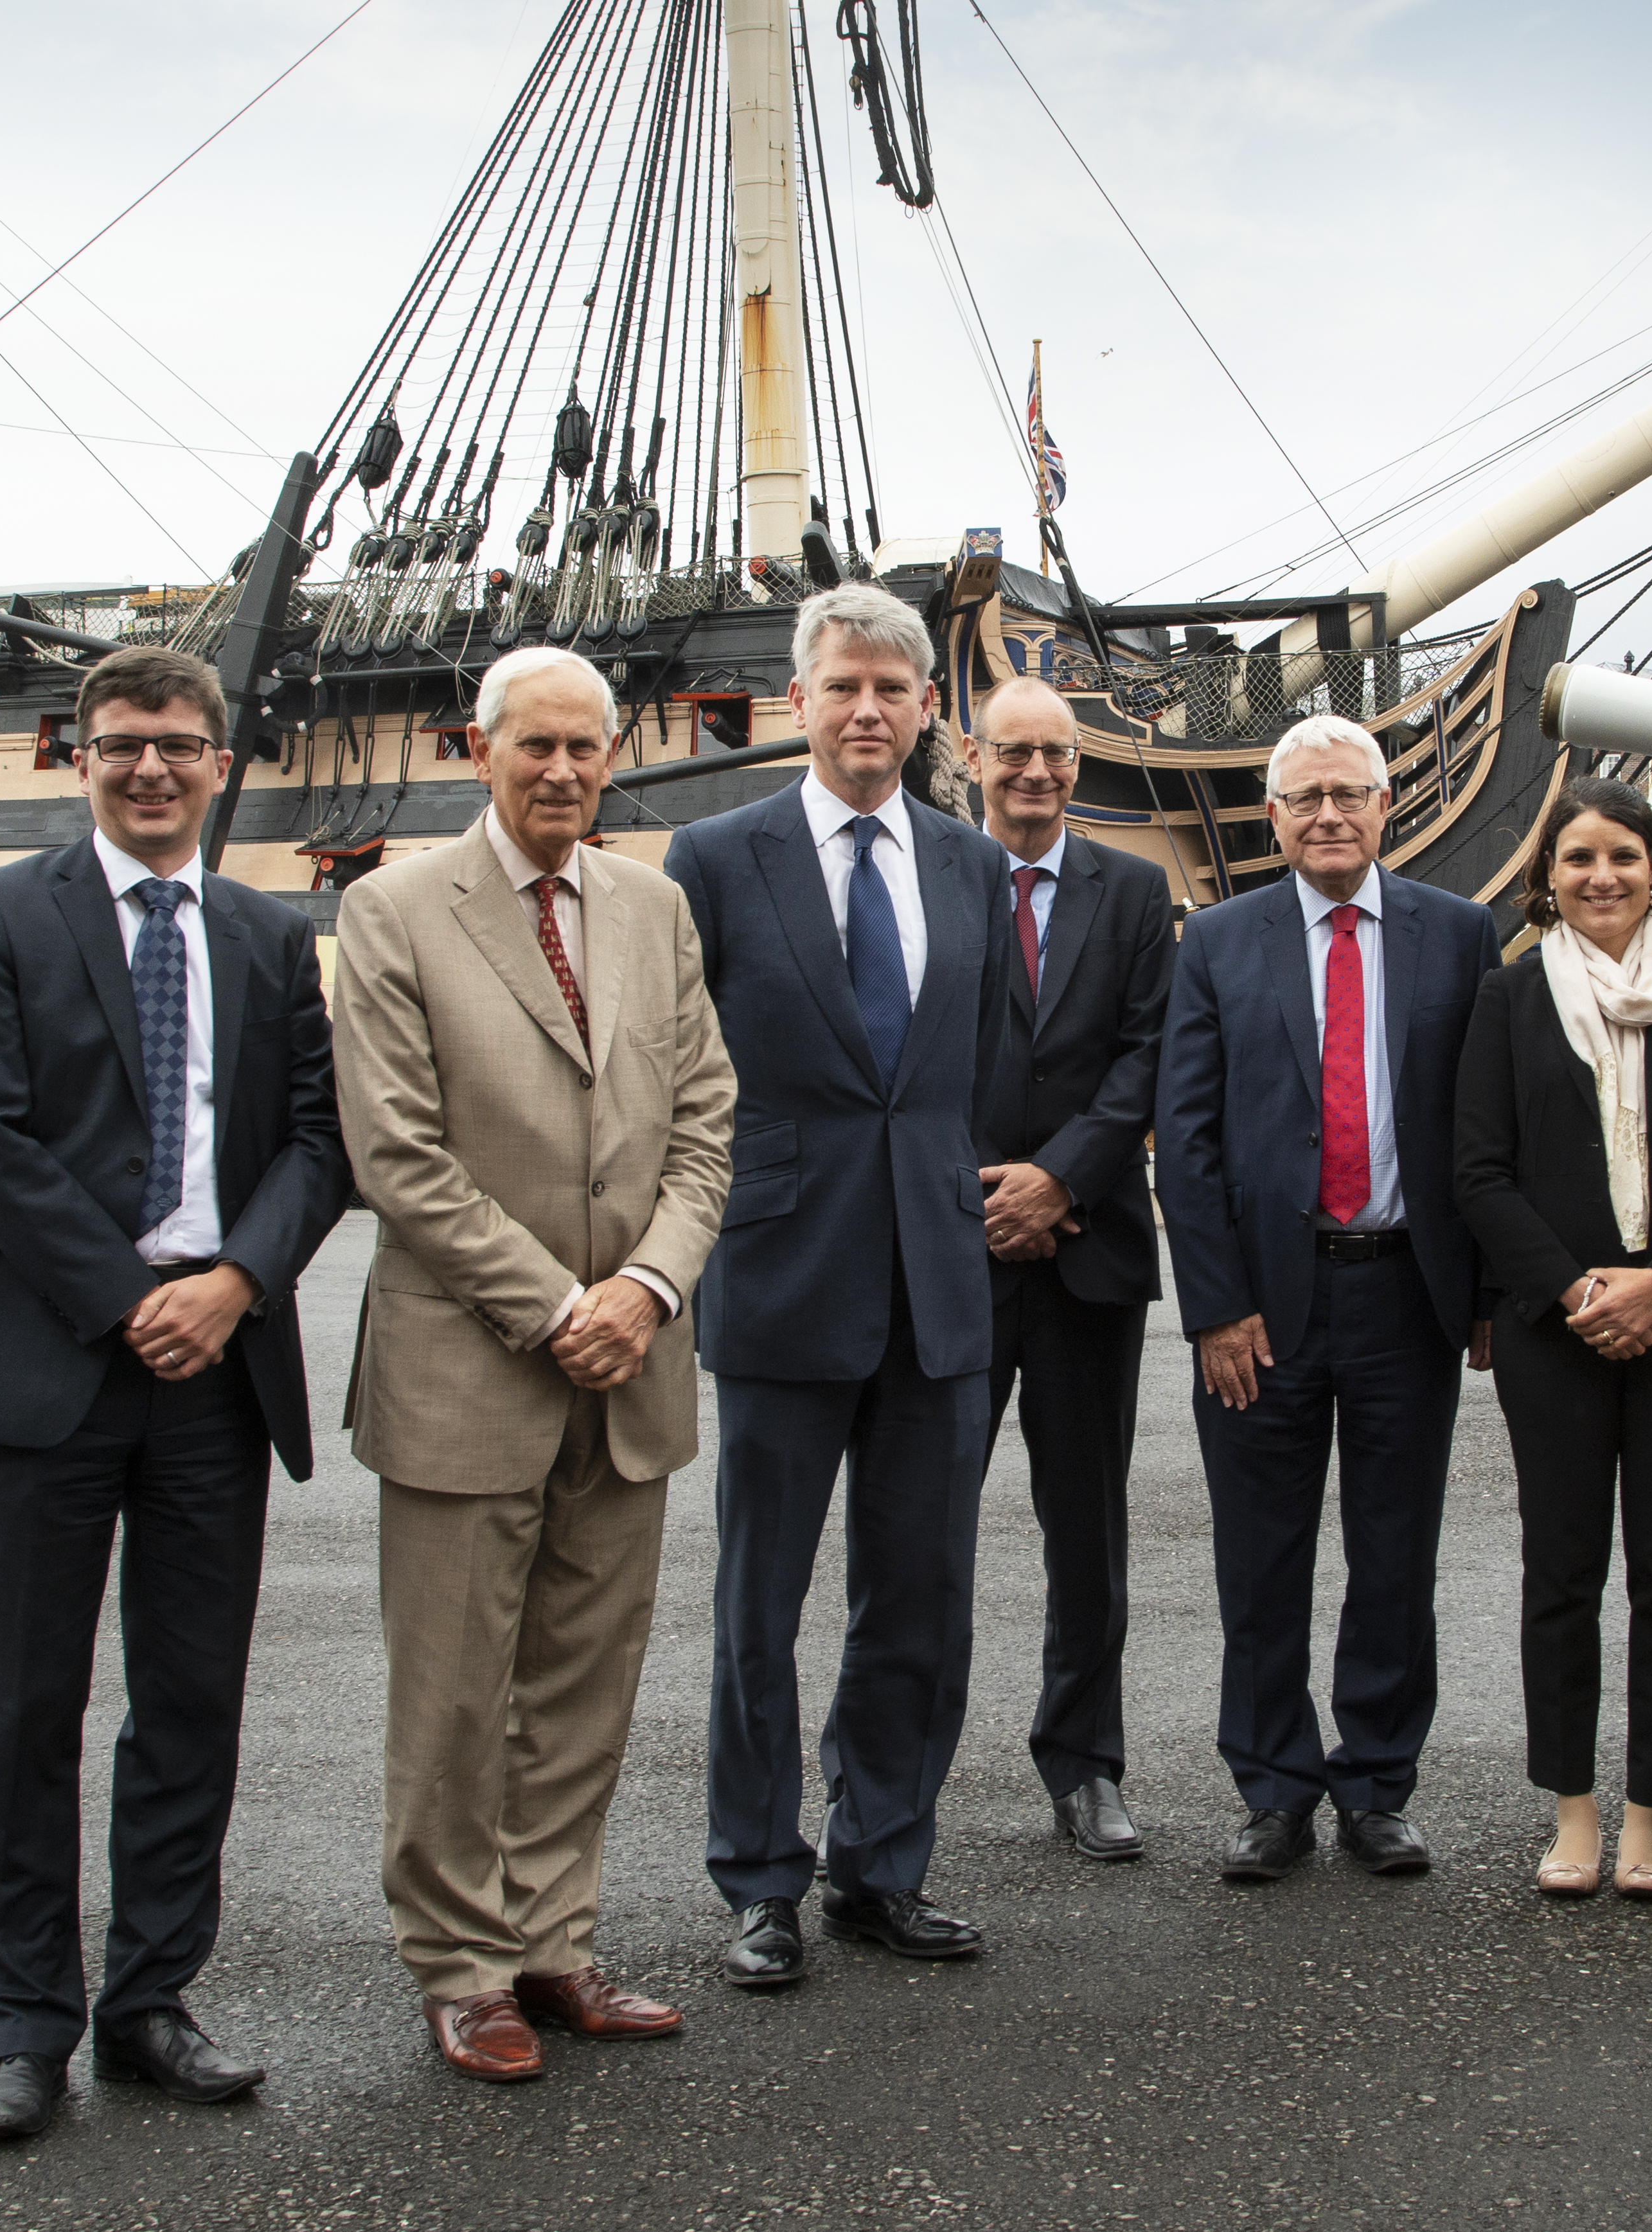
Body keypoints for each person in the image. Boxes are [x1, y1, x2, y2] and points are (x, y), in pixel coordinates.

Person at [0, 644, 350, 2144]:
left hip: (217, 1369)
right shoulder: (5, 911)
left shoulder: (269, 932)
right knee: (27, 1706)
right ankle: (21, 2026)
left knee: (191, 1704)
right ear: (78, 761)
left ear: (221, 762)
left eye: (175, 745)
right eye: (119, 746)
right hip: (53, 1358)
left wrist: (230, 1287)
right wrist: (128, 1294)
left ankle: (151, 2000)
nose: (148, 768)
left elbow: (313, 1142)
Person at [332, 644, 736, 2081]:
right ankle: (459, 1967)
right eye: (535, 748)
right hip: (469, 1364)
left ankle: (555, 1941)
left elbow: (705, 1124)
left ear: (613, 758)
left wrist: (644, 1287)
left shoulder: (651, 907)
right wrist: (557, 1303)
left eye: (586, 748)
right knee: (450, 1688)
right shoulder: (391, 912)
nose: (562, 771)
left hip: (631, 1361)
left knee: (583, 1679)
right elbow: (399, 1154)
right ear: (478, 751)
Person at [662, 581, 1015, 1985]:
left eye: (893, 689)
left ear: (928, 709)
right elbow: (678, 1068)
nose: (867, 711)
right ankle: (759, 1881)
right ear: (797, 703)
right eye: (841, 687)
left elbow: (971, 1072)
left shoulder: (968, 864)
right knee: (761, 1599)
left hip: (935, 1285)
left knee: (918, 1599)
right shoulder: (714, 857)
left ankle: (882, 1864)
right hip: (780, 1271)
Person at [1154, 712, 1502, 1882]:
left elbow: (1483, 1132)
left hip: (1407, 1292)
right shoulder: (1216, 940)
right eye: (1303, 798)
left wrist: (1487, 1293)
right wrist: (1214, 1307)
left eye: (1348, 793)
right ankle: (1273, 1788)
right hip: (1260, 1307)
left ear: (1384, 806)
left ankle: (1377, 1783)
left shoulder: (1459, 938)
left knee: (1394, 1556)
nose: (1327, 815)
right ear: (1273, 816)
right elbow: (1185, 1140)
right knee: (1260, 1561)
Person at [1451, 779, 1652, 1901]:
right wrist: (1578, 1288)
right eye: (1578, 857)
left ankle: (1648, 1815)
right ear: (1547, 876)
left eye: (1624, 858)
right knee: (1562, 1571)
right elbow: (1479, 1169)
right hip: (1555, 1326)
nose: (1601, 877)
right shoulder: (1508, 1000)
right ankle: (1572, 1813)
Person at [965, 675, 1175, 1863]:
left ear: (1077, 763)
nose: (1036, 773)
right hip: (956, 1249)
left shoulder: (1135, 891)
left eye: (1054, 754)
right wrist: (989, 1189)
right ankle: (893, 1772)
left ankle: (1086, 1762)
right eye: (1014, 753)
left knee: (1086, 1530)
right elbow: (907, 1056)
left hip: (1089, 1251)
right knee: (920, 1528)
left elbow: (1150, 1052)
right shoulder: (936, 876)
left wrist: (1060, 1180)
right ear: (974, 755)